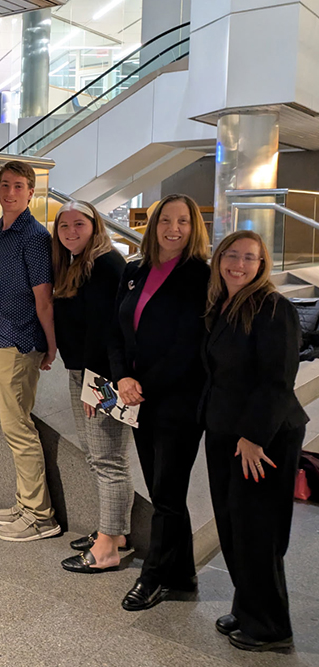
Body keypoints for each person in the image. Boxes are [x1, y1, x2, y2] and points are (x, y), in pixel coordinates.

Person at [203, 230, 307, 652]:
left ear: (261, 265)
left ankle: (270, 627)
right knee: (233, 527)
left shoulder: (273, 307)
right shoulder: (223, 303)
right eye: (232, 255)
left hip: (262, 437)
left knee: (256, 531)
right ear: (219, 259)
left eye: (250, 258)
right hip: (226, 429)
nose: (239, 264)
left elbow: (278, 379)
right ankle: (248, 605)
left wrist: (253, 436)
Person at [109, 193, 211, 611]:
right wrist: (122, 376)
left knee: (167, 492)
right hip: (138, 396)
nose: (173, 228)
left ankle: (153, 578)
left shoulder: (201, 276)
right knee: (161, 490)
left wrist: (140, 384)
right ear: (153, 226)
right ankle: (183, 576)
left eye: (183, 221)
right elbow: (117, 329)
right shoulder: (136, 269)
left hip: (178, 401)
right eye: (165, 220)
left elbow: (190, 345)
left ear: (194, 228)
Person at [0, 161, 61, 542]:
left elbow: (43, 298)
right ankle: (25, 502)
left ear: (31, 193)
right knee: (13, 428)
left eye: (18, 186)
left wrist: (50, 343)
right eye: (5, 185)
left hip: (19, 342)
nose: (10, 192)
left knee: (19, 429)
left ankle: (41, 515)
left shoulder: (34, 236)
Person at [50, 200, 133, 572]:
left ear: (95, 225)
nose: (71, 232)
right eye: (64, 226)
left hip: (100, 376)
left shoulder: (105, 264)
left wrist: (94, 384)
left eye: (78, 224)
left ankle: (108, 550)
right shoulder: (77, 262)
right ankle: (113, 533)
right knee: (98, 455)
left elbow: (106, 330)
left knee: (107, 459)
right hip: (84, 372)